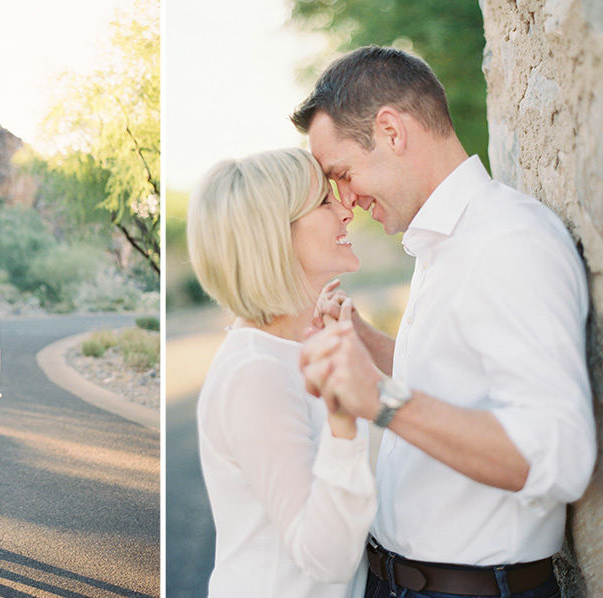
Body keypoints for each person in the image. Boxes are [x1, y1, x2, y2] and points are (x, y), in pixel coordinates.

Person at [292, 46, 596, 598]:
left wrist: (380, 398)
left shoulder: (508, 241)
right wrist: (367, 345)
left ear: (390, 131)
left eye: (342, 174)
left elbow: (559, 456)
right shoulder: (445, 244)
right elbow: (459, 380)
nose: (347, 200)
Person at [187, 147, 377, 598]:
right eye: (324, 202)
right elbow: (325, 558)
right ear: (274, 234)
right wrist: (344, 416)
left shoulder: (290, 350)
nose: (346, 210)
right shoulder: (255, 371)